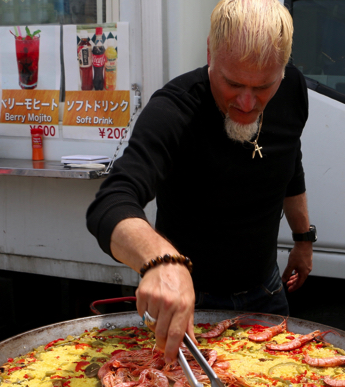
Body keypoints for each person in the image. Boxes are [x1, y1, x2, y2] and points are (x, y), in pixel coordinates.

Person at [86, 0, 314, 362]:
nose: (246, 102)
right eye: (233, 82)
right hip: (189, 306)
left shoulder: (293, 90)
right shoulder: (173, 109)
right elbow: (111, 202)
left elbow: (288, 157)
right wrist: (160, 261)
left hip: (266, 293)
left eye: (263, 87)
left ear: (283, 70)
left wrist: (303, 239)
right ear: (210, 51)